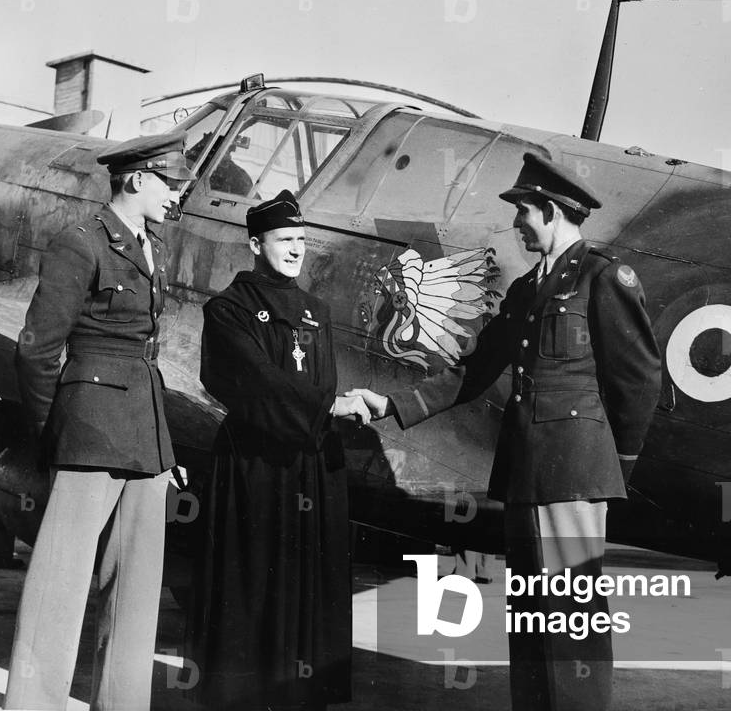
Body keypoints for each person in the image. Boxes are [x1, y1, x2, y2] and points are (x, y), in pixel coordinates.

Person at [348, 151, 663, 711]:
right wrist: (392, 404)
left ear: (549, 209)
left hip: (573, 478)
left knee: (571, 626)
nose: (516, 223)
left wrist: (617, 468)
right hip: (524, 475)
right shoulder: (525, 292)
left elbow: (638, 381)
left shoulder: (603, 277)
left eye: (522, 211)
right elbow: (474, 370)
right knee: (532, 624)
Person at [4, 132, 193, 711]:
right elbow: (37, 349)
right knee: (58, 587)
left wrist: (164, 444)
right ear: (137, 179)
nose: (178, 195)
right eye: (171, 183)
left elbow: (147, 353)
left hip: (144, 436)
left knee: (136, 593)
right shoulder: (81, 243)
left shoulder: (150, 245)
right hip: (89, 433)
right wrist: (53, 431)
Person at [189, 189, 368, 711]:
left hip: (308, 469)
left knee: (303, 587)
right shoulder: (228, 309)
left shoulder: (316, 310)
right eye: (285, 239)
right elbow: (253, 381)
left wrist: (321, 408)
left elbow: (323, 379)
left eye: (302, 241)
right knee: (252, 584)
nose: (296, 249)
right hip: (255, 468)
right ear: (255, 243)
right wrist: (326, 408)